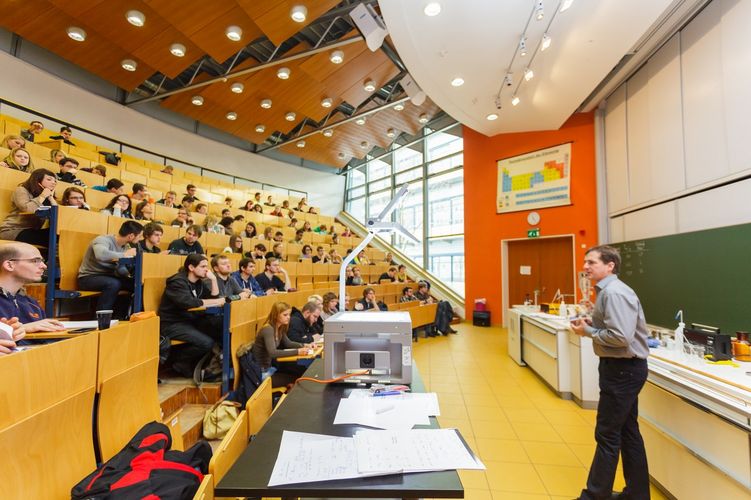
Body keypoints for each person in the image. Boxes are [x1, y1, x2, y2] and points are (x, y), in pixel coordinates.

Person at [570, 245, 650, 500]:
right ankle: (636, 494)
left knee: (607, 434)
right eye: (585, 262)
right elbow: (615, 328)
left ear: (610, 265)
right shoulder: (609, 292)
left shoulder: (614, 293)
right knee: (627, 432)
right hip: (623, 369)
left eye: (591, 262)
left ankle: (594, 496)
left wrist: (588, 332)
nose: (585, 267)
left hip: (622, 371)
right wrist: (594, 324)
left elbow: (620, 337)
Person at [158, 254, 225, 377]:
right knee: (207, 343)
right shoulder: (177, 282)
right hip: (171, 323)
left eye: (207, 266)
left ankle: (210, 368)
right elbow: (188, 303)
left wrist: (214, 280)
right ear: (191, 267)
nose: (207, 270)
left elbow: (212, 298)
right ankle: (178, 361)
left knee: (218, 329)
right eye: (203, 266)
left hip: (189, 320)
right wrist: (216, 302)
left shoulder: (198, 282)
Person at [77, 221, 143, 319]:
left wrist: (128, 276)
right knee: (113, 283)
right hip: (88, 277)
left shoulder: (126, 246)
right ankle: (101, 320)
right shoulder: (103, 240)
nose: (141, 239)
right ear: (131, 236)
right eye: (140, 236)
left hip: (109, 276)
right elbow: (101, 255)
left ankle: (121, 317)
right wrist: (124, 255)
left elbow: (120, 268)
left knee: (136, 284)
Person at [0, 242, 66, 338]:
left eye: (42, 261)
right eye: (35, 261)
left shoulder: (32, 303)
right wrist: (24, 328)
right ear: (9, 265)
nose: (44, 266)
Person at [251, 301, 312, 385]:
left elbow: (288, 343)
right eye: (285, 315)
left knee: (301, 371)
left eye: (289, 314)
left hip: (270, 369)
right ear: (276, 315)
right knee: (299, 377)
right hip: (261, 373)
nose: (288, 317)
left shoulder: (280, 327)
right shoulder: (268, 329)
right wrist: (298, 351)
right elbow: (273, 353)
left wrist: (305, 345)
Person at [0, 169, 57, 246]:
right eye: (49, 179)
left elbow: (56, 213)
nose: (53, 182)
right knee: (51, 238)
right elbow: (28, 209)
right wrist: (42, 196)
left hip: (32, 231)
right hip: (13, 230)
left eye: (55, 181)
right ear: (38, 180)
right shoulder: (21, 190)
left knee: (56, 235)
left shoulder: (46, 197)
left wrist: (51, 197)